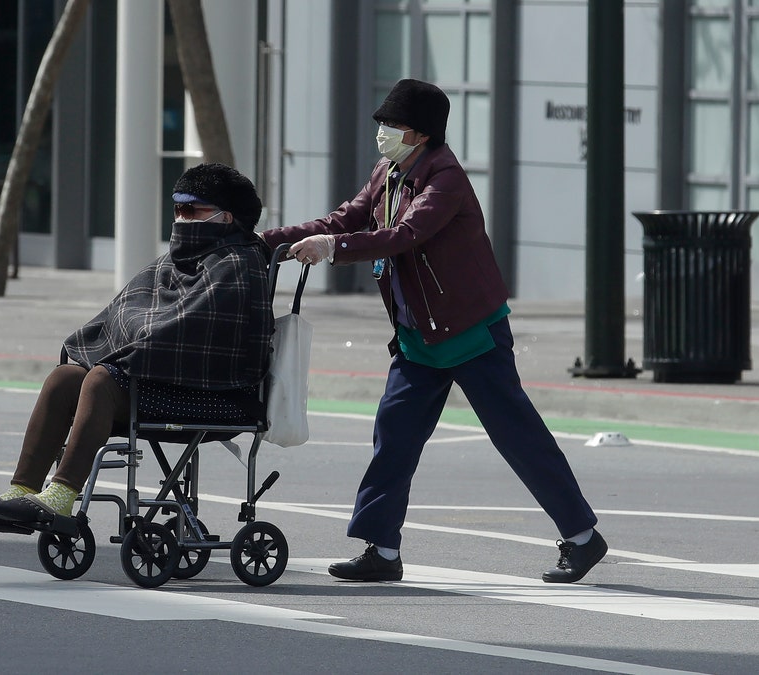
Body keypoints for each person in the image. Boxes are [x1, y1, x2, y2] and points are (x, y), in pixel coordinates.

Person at [260, 78, 607, 583]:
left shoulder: (445, 178)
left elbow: (404, 236)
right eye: (381, 123)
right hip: (419, 335)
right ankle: (381, 550)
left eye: (391, 126)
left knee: (517, 436)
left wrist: (332, 249)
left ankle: (582, 538)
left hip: (470, 333)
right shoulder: (389, 171)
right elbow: (347, 217)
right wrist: (265, 239)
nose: (381, 133)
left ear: (420, 134)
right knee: (394, 437)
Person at [0, 163, 273, 531]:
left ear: (226, 218)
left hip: (216, 394)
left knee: (101, 379)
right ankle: (22, 488)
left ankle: (60, 496)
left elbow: (192, 330)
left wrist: (124, 355)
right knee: (65, 378)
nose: (182, 218)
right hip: (161, 381)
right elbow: (128, 313)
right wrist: (113, 348)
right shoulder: (176, 258)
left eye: (193, 210)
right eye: (178, 209)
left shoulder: (239, 262)